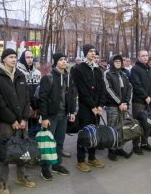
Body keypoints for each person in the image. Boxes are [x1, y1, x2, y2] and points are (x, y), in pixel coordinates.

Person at [0, 49, 35, 194]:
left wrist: (24, 118)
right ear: (4, 59)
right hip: (7, 122)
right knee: (6, 151)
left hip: (22, 121)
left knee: (23, 151)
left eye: (15, 57)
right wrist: (12, 119)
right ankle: (3, 183)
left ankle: (21, 177)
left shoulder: (20, 75)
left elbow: (26, 99)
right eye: (10, 57)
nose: (13, 59)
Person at [39, 52, 76, 181]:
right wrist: (44, 118)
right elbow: (42, 99)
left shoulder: (68, 76)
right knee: (48, 143)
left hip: (64, 115)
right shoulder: (48, 77)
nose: (64, 62)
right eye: (61, 60)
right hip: (51, 116)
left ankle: (56, 165)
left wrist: (72, 112)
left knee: (59, 142)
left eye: (65, 59)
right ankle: (45, 168)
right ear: (55, 62)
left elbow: (71, 95)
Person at [71, 44, 106, 172]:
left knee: (94, 132)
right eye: (90, 51)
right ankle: (81, 161)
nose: (93, 53)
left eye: (94, 51)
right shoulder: (78, 69)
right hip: (85, 107)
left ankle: (92, 157)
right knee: (84, 133)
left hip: (97, 108)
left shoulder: (97, 69)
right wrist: (92, 106)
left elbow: (102, 88)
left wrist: (101, 105)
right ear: (85, 53)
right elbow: (81, 90)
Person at [104, 55, 132, 160]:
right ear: (111, 62)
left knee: (122, 128)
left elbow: (130, 88)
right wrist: (119, 103)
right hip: (113, 106)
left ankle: (120, 147)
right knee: (112, 128)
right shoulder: (107, 73)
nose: (118, 63)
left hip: (124, 106)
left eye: (120, 61)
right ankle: (111, 150)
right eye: (115, 61)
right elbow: (108, 89)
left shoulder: (124, 74)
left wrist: (127, 103)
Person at [130, 49, 151, 155]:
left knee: (148, 123)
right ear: (138, 57)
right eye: (143, 56)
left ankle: (144, 143)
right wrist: (145, 96)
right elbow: (136, 84)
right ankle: (136, 146)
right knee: (138, 124)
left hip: (150, 101)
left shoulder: (149, 69)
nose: (145, 57)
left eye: (146, 55)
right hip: (139, 102)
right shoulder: (135, 69)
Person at [17, 50, 41, 134]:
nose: (30, 59)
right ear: (23, 58)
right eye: (27, 57)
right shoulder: (17, 71)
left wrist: (38, 108)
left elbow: (39, 91)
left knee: (34, 133)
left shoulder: (37, 72)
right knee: (23, 134)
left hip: (36, 109)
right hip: (23, 108)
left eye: (31, 57)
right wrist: (27, 107)